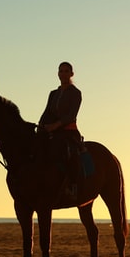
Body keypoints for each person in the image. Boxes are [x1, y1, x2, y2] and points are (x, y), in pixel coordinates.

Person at [39, 61, 83, 201]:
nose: (63, 74)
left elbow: (71, 115)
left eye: (66, 71)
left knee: (65, 151)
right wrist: (41, 126)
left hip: (68, 131)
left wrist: (55, 126)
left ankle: (72, 186)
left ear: (71, 74)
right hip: (53, 130)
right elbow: (46, 112)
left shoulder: (75, 93)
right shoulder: (53, 94)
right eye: (61, 71)